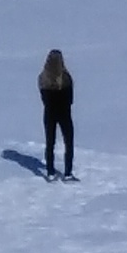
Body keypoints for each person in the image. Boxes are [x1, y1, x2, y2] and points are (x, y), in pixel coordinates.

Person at [39, 48, 75, 181]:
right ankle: (68, 172)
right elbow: (71, 99)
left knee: (50, 143)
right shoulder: (66, 77)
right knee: (68, 142)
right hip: (65, 113)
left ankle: (50, 171)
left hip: (50, 113)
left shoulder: (43, 78)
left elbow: (44, 98)